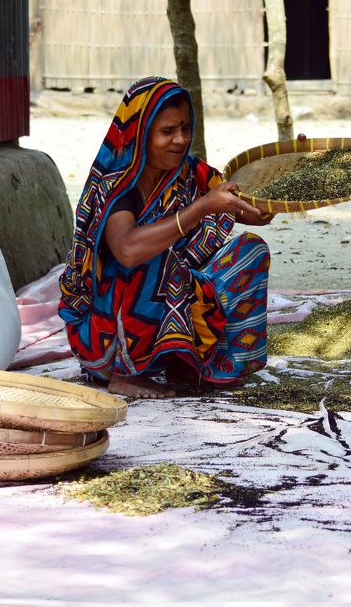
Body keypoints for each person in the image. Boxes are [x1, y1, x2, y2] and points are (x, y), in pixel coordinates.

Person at [58, 77, 275, 399]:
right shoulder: (115, 187)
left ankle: (197, 364)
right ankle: (125, 373)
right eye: (167, 131)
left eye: (185, 129)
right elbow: (128, 251)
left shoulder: (189, 173)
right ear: (141, 133)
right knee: (154, 256)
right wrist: (201, 208)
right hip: (105, 333)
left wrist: (284, 174)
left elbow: (253, 213)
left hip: (167, 304)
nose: (180, 139)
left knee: (250, 251)